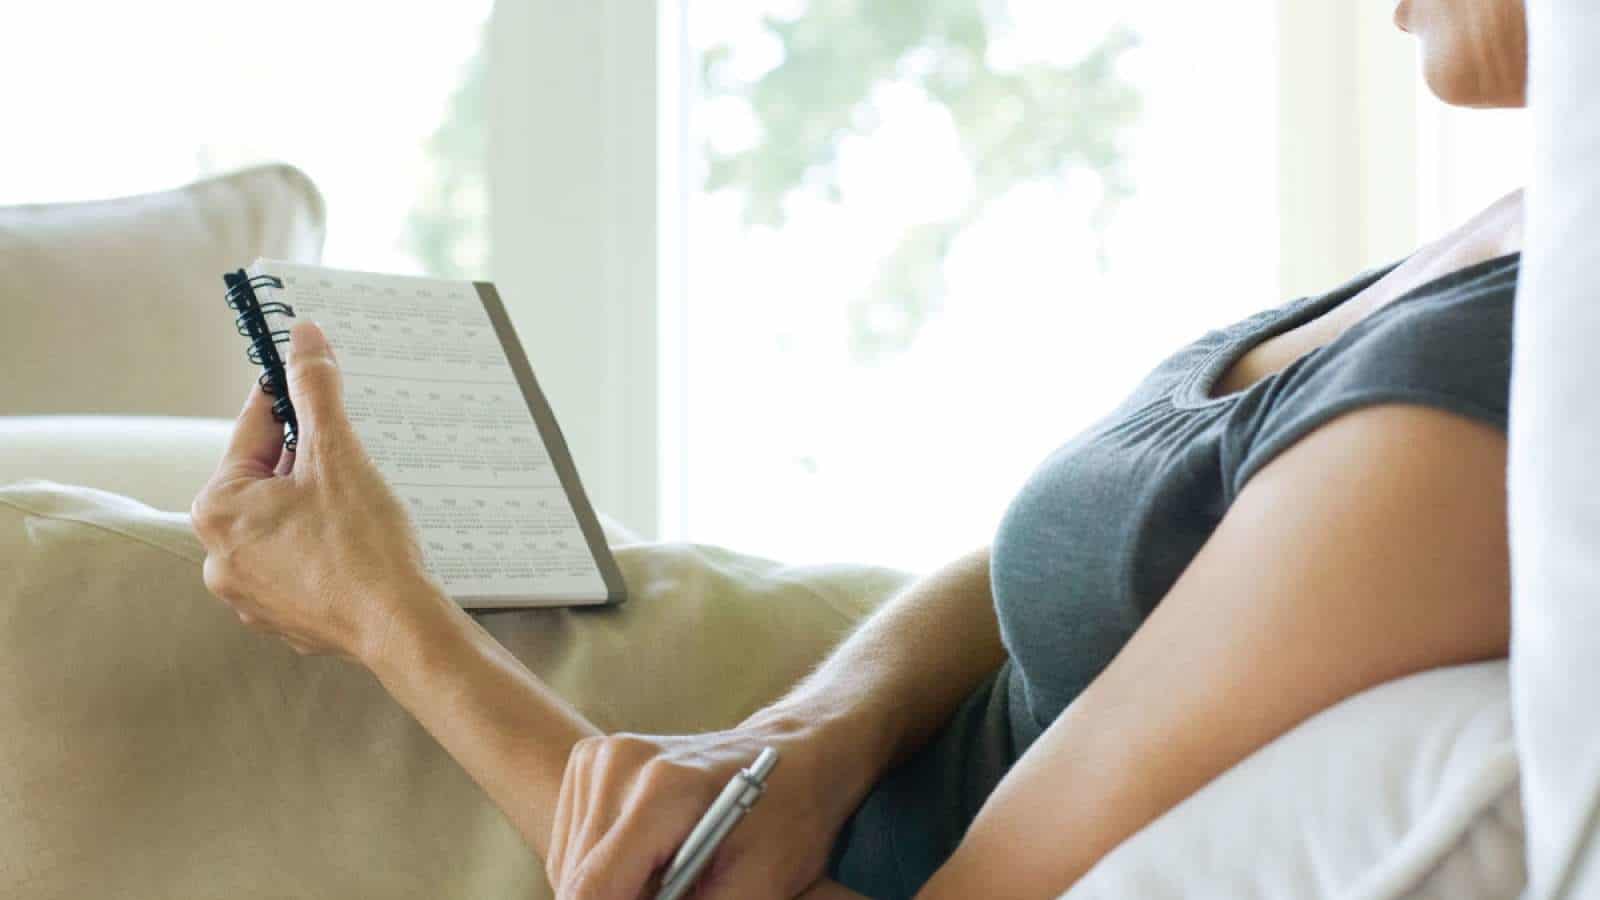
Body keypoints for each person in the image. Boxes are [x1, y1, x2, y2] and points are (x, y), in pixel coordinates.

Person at [188, 1, 1530, 898]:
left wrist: (389, 617)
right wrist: (804, 736)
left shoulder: (1511, 378)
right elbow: (1132, 568)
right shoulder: (1502, 246)